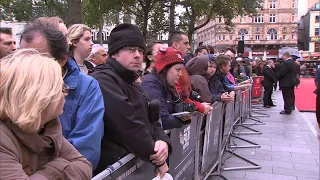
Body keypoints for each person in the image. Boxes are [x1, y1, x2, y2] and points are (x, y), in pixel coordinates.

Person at [20, 19, 104, 170]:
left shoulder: (87, 87)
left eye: (38, 60)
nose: (26, 68)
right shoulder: (12, 88)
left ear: (61, 60)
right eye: (21, 58)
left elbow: (84, 153)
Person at [91, 23, 171, 177]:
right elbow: (127, 123)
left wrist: (162, 140)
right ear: (114, 53)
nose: (137, 55)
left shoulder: (132, 81)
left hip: (134, 165)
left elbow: (152, 117)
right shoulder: (103, 80)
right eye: (130, 49)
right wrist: (158, 158)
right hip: (115, 169)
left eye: (140, 50)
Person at [0, 49, 92, 179]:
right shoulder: (4, 138)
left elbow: (84, 167)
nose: (65, 93)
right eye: (61, 88)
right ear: (41, 96)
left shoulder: (49, 127)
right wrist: (58, 167)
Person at [142, 47, 195, 129]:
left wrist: (185, 116)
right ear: (164, 69)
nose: (180, 74)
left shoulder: (167, 84)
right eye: (178, 70)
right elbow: (162, 120)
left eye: (181, 70)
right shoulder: (150, 84)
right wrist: (182, 121)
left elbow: (177, 107)